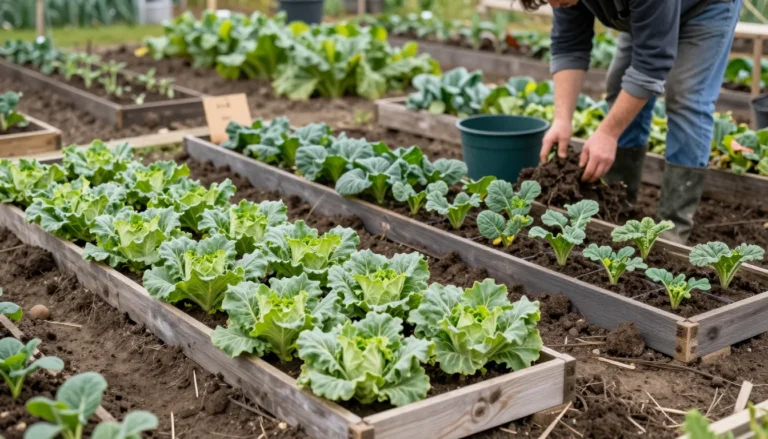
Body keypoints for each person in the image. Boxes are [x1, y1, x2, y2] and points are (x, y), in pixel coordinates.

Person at [526, 0, 742, 243]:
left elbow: (651, 64)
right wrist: (562, 119)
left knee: (686, 98)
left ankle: (672, 230)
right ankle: (617, 204)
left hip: (705, 7)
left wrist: (608, 134)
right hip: (649, 12)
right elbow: (569, 44)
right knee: (621, 85)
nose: (554, 4)